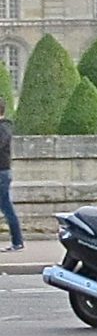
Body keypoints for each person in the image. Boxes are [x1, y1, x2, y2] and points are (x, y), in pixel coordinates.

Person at [0, 97, 24, 252]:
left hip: (1, 173)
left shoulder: (3, 128)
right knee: (7, 207)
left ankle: (18, 241)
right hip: (3, 172)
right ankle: (17, 241)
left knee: (7, 208)